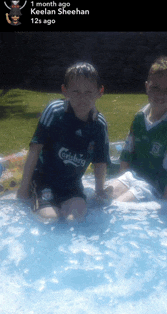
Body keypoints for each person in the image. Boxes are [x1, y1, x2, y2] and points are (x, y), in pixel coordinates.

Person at [17, 62, 110, 221]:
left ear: (99, 92)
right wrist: (23, 189)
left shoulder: (99, 125)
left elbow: (100, 162)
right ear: (65, 91)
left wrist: (100, 192)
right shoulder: (54, 111)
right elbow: (35, 149)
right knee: (50, 219)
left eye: (88, 92)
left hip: (72, 186)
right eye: (76, 92)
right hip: (43, 181)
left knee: (77, 219)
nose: (82, 98)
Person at [105, 56, 167, 202]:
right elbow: (127, 150)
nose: (160, 94)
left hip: (154, 186)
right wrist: (121, 179)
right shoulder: (139, 117)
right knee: (102, 197)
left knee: (117, 207)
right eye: (155, 87)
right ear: (146, 87)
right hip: (132, 176)